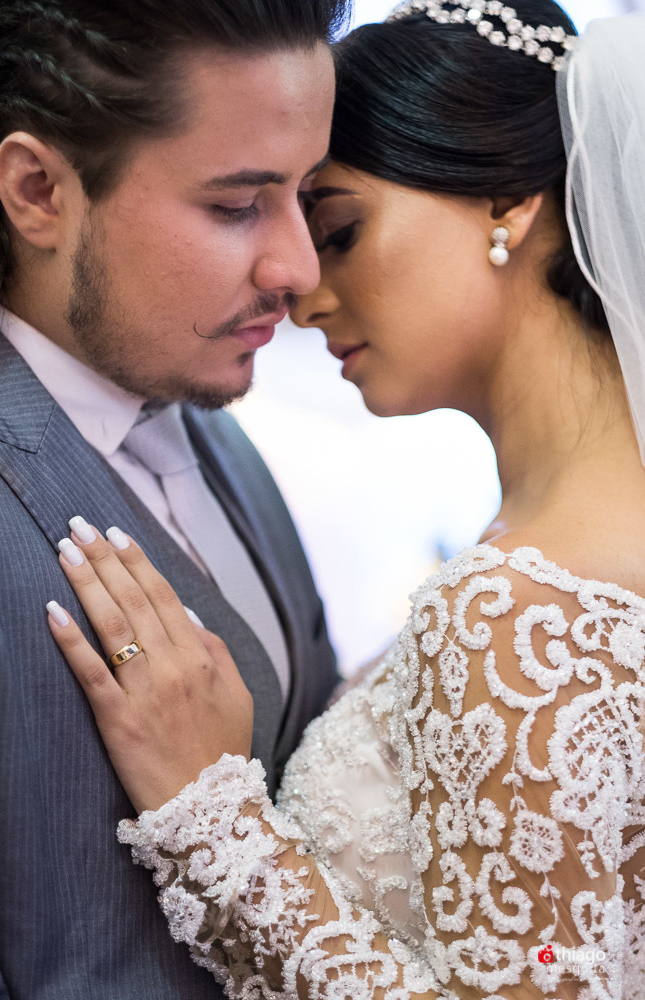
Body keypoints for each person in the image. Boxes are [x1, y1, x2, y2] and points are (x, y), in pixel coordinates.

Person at [48, 1, 645, 998]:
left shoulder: (518, 614)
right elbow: (566, 959)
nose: (300, 290)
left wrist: (215, 818)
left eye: (339, 228)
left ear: (507, 198)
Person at [0, 0, 352, 996]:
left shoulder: (218, 433)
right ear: (36, 190)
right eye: (237, 205)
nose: (299, 269)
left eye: (307, 194)